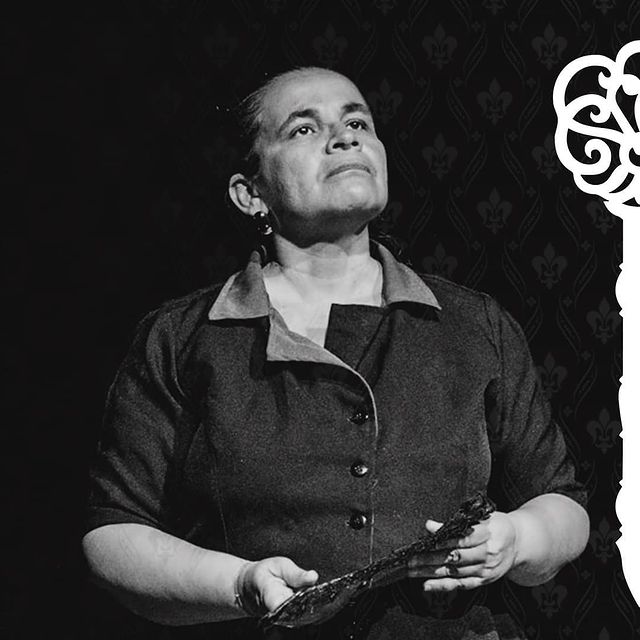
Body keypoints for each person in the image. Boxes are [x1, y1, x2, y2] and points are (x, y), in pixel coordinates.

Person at [82, 66, 590, 639]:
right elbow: (113, 535)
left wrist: (517, 539)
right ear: (250, 194)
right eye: (304, 129)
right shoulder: (183, 337)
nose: (344, 138)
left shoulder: (474, 324)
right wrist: (240, 583)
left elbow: (563, 506)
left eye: (358, 123)